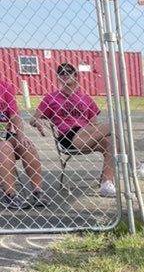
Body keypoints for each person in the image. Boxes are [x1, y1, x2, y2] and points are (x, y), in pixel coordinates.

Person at [30, 63, 116, 197]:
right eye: (61, 73)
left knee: (112, 141)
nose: (64, 75)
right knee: (114, 127)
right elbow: (33, 119)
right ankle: (137, 166)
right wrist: (39, 122)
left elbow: (94, 124)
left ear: (76, 77)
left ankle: (106, 184)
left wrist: (96, 132)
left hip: (87, 135)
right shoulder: (51, 97)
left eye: (68, 72)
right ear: (58, 78)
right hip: (68, 136)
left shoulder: (85, 98)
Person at [0, 80, 46, 210]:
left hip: (3, 131)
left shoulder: (4, 86)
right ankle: (10, 195)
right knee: (5, 147)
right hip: (2, 139)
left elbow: (14, 114)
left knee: (27, 146)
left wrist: (21, 135)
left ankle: (38, 192)